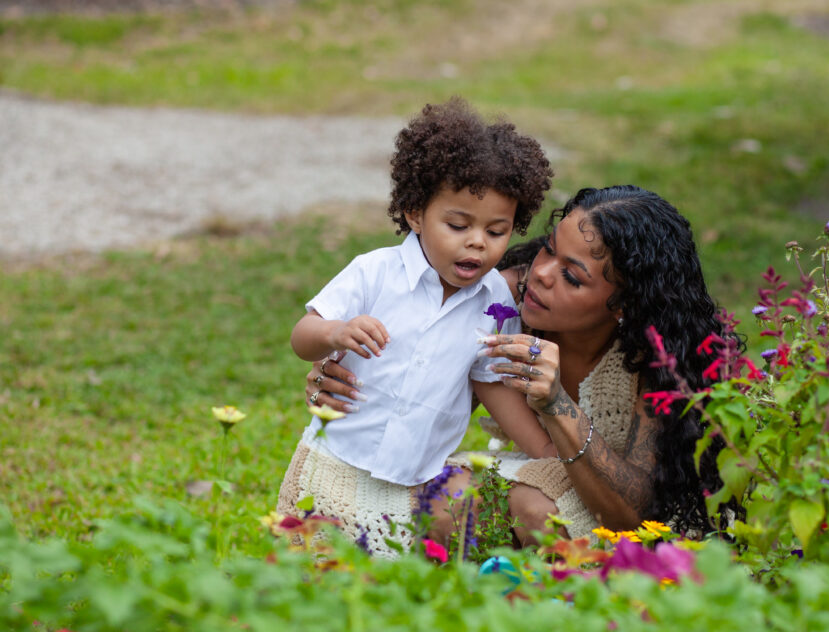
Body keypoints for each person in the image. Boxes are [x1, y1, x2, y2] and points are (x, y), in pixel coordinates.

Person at [309, 185, 733, 545]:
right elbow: (406, 355)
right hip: (534, 479)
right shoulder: (497, 298)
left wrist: (556, 403)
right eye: (548, 250)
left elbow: (630, 515)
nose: (542, 274)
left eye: (572, 277)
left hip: (631, 521)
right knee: (440, 499)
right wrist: (334, 369)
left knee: (541, 513)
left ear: (623, 304)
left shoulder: (657, 359)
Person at [277, 98, 555, 555]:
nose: (476, 242)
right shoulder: (375, 273)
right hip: (332, 464)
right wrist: (335, 333)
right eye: (458, 223)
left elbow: (492, 386)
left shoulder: (496, 301)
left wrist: (546, 455)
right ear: (414, 213)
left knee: (383, 589)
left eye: (496, 230)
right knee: (306, 577)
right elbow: (302, 336)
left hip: (413, 484)